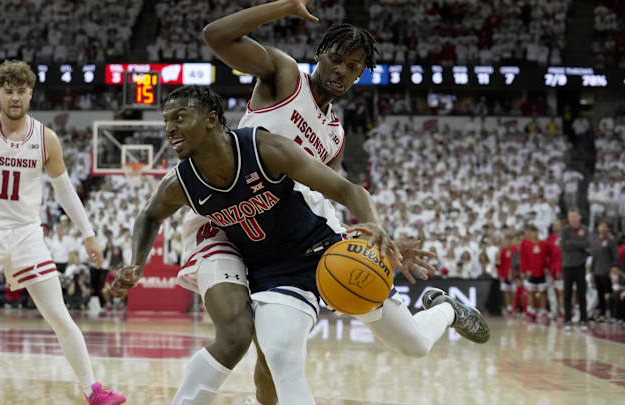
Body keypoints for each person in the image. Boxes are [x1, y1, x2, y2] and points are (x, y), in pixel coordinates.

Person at [169, 2, 487, 405]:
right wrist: (284, 5)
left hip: (310, 238)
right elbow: (215, 35)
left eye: (353, 67)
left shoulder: (335, 135)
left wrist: (373, 233)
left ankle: (444, 310)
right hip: (250, 238)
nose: (342, 72)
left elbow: (325, 195)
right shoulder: (285, 78)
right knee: (271, 353)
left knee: (413, 345)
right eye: (337, 60)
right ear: (320, 54)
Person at [111, 86, 490, 405]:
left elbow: (347, 189)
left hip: (329, 253)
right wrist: (136, 263)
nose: (170, 129)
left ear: (211, 118)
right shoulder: (181, 183)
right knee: (280, 357)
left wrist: (373, 224)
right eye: (166, 121)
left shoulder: (265, 150)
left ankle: (444, 309)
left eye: (180, 118)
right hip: (276, 277)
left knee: (415, 345)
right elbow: (149, 216)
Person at [0, 60, 126, 405]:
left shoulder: (46, 138)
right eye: (8, 91)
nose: (15, 97)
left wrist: (89, 233)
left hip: (26, 235)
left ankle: (93, 390)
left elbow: (66, 191)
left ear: (30, 94)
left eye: (21, 91)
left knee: (59, 315)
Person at [560, 209, 590, 331]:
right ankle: (567, 320)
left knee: (581, 293)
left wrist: (572, 243)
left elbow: (587, 244)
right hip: (567, 266)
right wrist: (578, 244)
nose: (572, 219)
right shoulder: (564, 230)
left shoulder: (585, 229)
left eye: (574, 217)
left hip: (580, 265)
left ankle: (583, 320)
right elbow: (563, 246)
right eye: (570, 217)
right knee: (567, 294)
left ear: (579, 217)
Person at [590, 221, 620, 321]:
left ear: (608, 229)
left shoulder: (611, 241)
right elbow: (593, 258)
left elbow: (615, 257)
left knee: (608, 294)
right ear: (598, 228)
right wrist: (592, 272)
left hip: (606, 272)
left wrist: (613, 268)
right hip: (597, 271)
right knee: (600, 294)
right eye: (600, 226)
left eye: (604, 227)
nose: (602, 229)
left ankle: (610, 313)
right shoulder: (595, 241)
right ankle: (602, 313)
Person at [521, 224, 551, 321]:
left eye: (535, 232)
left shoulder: (544, 244)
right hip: (531, 272)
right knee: (531, 292)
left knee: (542, 292)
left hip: (541, 272)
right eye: (531, 232)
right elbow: (524, 259)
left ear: (538, 232)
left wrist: (547, 268)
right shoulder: (527, 245)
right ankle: (531, 310)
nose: (533, 234)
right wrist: (525, 270)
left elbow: (548, 257)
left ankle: (542, 311)